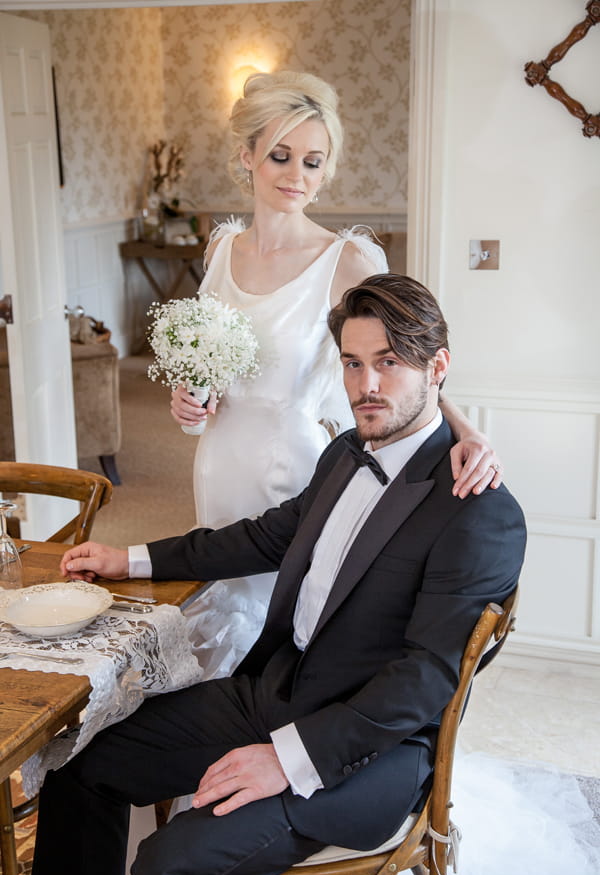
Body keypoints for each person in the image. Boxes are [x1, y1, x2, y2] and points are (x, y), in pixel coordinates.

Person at [29, 274, 526, 875]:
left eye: (389, 363)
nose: (366, 387)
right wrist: (129, 558)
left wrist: (290, 760)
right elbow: (266, 537)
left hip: (370, 750)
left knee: (167, 864)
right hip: (277, 692)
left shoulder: (477, 509)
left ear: (438, 368)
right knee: (81, 764)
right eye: (352, 364)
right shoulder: (346, 452)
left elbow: (424, 680)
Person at [168, 70, 503, 678]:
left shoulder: (346, 259)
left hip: (291, 461)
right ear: (246, 157)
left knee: (283, 610)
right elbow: (209, 361)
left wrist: (467, 430)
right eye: (281, 156)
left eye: (314, 162)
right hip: (220, 460)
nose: (298, 175)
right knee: (218, 590)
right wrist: (190, 398)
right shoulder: (222, 250)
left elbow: (412, 359)